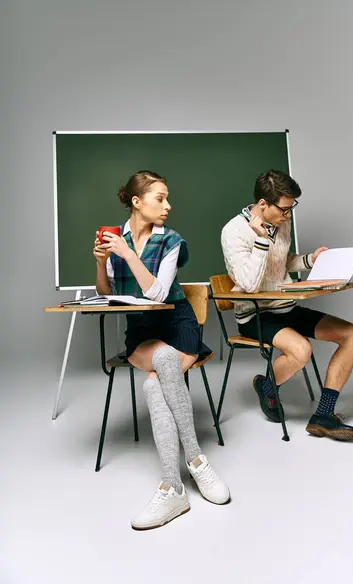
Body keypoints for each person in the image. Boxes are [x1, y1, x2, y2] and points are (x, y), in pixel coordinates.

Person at [94, 170, 230, 530]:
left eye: (167, 198)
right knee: (163, 364)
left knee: (156, 380)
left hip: (177, 323)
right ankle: (198, 462)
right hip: (141, 331)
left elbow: (156, 293)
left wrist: (127, 253)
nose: (168, 206)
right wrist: (101, 261)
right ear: (137, 202)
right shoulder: (116, 239)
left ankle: (173, 487)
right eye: (160, 198)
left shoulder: (171, 241)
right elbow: (106, 291)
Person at [221, 169, 353, 441]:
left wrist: (310, 261)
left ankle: (324, 415)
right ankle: (266, 388)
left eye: (291, 209)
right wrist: (261, 238)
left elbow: (281, 263)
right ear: (263, 204)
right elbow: (250, 283)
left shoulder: (281, 223)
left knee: (352, 335)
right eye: (284, 209)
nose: (288, 215)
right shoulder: (233, 232)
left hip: (287, 308)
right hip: (256, 314)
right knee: (302, 350)